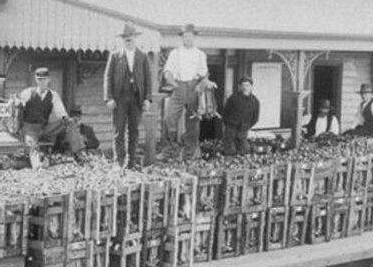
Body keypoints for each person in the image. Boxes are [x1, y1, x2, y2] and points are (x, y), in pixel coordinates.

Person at [104, 24, 152, 168]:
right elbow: (108, 77)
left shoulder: (142, 56)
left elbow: (148, 79)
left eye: (130, 37)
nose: (128, 40)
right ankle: (118, 162)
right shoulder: (115, 55)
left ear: (135, 38)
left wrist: (147, 99)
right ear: (122, 40)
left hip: (136, 98)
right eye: (125, 38)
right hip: (119, 99)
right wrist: (109, 97)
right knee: (118, 131)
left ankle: (131, 162)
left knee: (134, 131)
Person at [17, 67, 84, 169]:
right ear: (36, 80)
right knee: (32, 145)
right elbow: (17, 102)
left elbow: (61, 113)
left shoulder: (53, 95)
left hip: (45, 128)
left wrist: (67, 120)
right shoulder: (28, 92)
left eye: (44, 79)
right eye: (39, 79)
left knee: (69, 122)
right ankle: (38, 166)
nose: (42, 82)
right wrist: (19, 103)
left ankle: (77, 155)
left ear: (49, 80)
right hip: (30, 129)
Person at [161, 24, 210, 161]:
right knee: (169, 118)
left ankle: (189, 154)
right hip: (179, 86)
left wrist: (201, 85)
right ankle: (169, 151)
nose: (188, 39)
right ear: (182, 38)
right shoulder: (175, 53)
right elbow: (168, 72)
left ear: (195, 37)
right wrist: (173, 83)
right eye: (185, 36)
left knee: (193, 122)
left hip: (194, 87)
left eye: (190, 36)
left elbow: (204, 75)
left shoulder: (200, 54)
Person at [222, 77, 261, 155]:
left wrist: (247, 126)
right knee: (230, 150)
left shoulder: (255, 101)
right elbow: (225, 113)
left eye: (247, 85)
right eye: (243, 85)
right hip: (231, 128)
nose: (245, 88)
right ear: (239, 87)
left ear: (251, 87)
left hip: (243, 129)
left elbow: (255, 117)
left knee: (243, 150)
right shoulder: (233, 98)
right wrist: (230, 124)